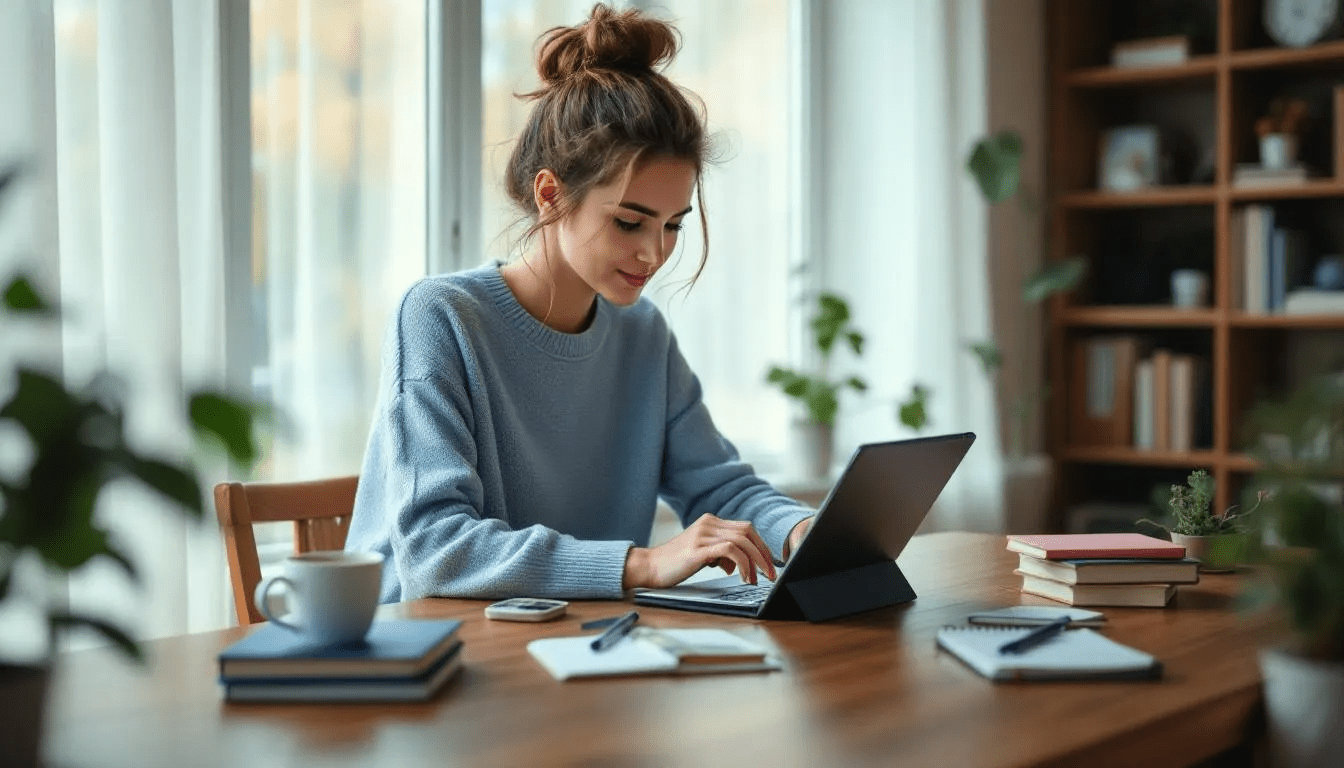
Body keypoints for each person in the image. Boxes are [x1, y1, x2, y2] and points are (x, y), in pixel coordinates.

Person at [345, 3, 812, 603]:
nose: (653, 254)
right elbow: (437, 549)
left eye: (673, 225)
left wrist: (802, 529)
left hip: (578, 644)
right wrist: (642, 564)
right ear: (550, 194)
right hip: (431, 658)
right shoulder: (440, 317)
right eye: (629, 222)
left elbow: (720, 490)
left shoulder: (642, 334)